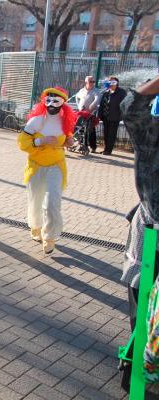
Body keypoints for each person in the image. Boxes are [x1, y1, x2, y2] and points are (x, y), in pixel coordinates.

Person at [120, 76, 159, 380]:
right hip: (152, 237)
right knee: (142, 308)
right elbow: (131, 107)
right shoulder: (152, 135)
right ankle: (135, 367)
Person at [17, 87, 76, 254]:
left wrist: (69, 142)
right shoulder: (36, 121)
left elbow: (67, 140)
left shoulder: (65, 122)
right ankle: (36, 227)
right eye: (48, 99)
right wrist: (39, 141)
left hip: (56, 165)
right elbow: (22, 143)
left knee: (52, 202)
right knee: (35, 200)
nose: (51, 104)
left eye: (56, 100)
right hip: (36, 165)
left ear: (63, 103)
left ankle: (49, 236)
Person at [98, 76, 127, 155]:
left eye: (113, 82)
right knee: (106, 133)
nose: (111, 84)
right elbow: (101, 105)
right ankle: (106, 149)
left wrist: (122, 115)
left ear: (117, 83)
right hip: (105, 117)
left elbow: (124, 105)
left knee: (111, 134)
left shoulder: (121, 92)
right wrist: (100, 115)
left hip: (115, 117)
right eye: (110, 82)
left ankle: (108, 150)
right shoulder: (106, 92)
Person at [75, 75, 101, 153]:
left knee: (90, 130)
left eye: (93, 81)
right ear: (86, 82)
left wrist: (92, 105)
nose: (92, 83)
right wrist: (79, 106)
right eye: (91, 81)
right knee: (80, 128)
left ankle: (93, 147)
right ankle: (82, 145)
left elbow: (97, 99)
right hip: (82, 113)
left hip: (91, 114)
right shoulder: (82, 90)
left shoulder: (96, 90)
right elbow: (76, 97)